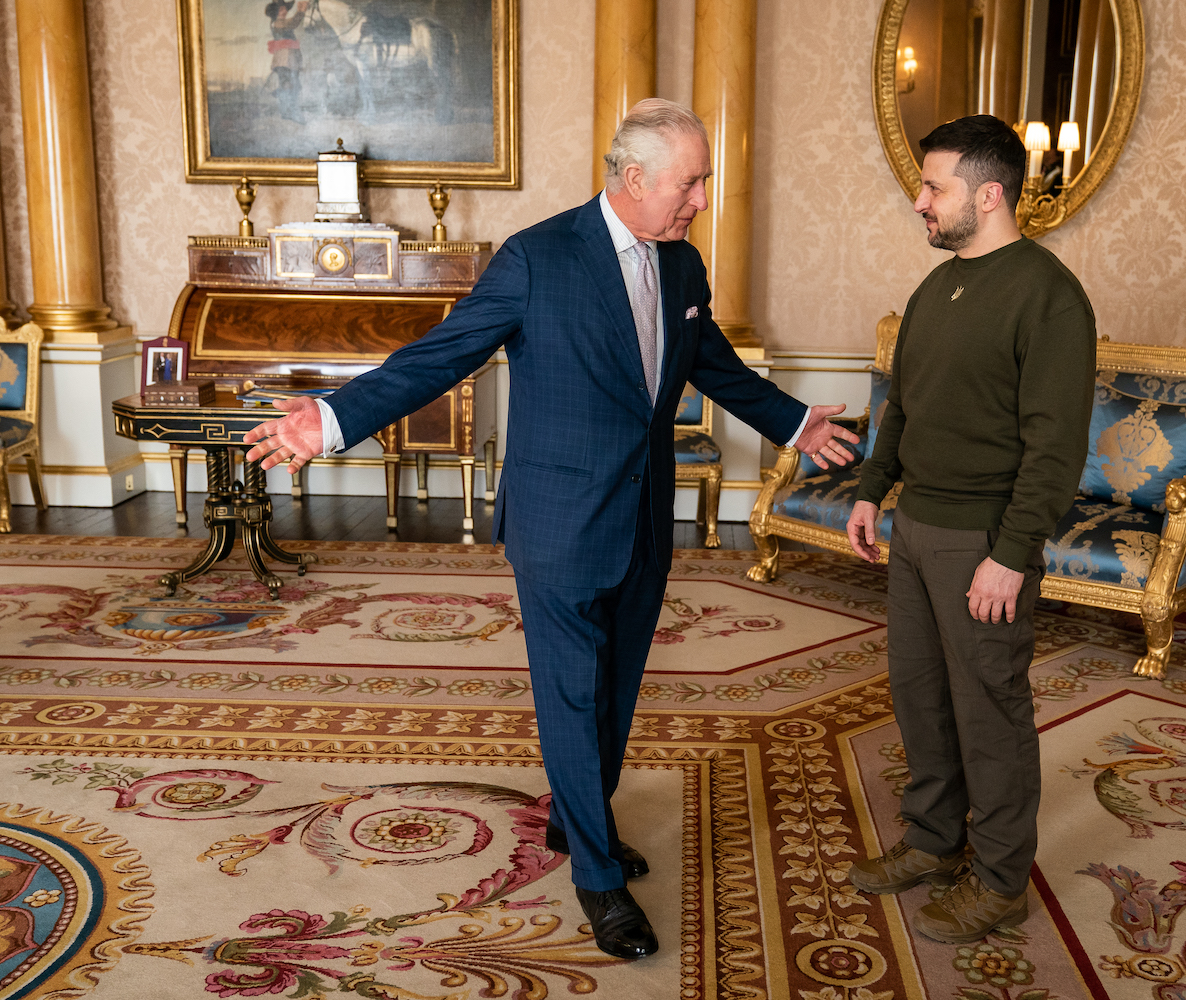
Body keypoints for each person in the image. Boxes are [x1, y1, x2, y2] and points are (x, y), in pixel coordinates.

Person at [243, 99, 858, 961]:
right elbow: (441, 354)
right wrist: (335, 420)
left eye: (705, 180)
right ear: (633, 178)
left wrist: (796, 423)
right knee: (572, 695)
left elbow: (709, 360)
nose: (703, 199)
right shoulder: (538, 257)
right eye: (691, 181)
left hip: (645, 510)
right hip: (560, 519)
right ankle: (598, 880)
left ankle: (580, 822)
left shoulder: (682, 266)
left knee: (616, 688)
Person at [844, 115, 1095, 944]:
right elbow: (903, 407)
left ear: (989, 195)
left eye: (934, 187)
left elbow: (1055, 450)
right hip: (916, 529)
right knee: (921, 701)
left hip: (982, 540)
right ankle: (931, 840)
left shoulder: (1048, 295)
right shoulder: (935, 287)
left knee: (989, 711)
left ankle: (998, 880)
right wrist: (872, 491)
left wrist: (1010, 556)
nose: (919, 202)